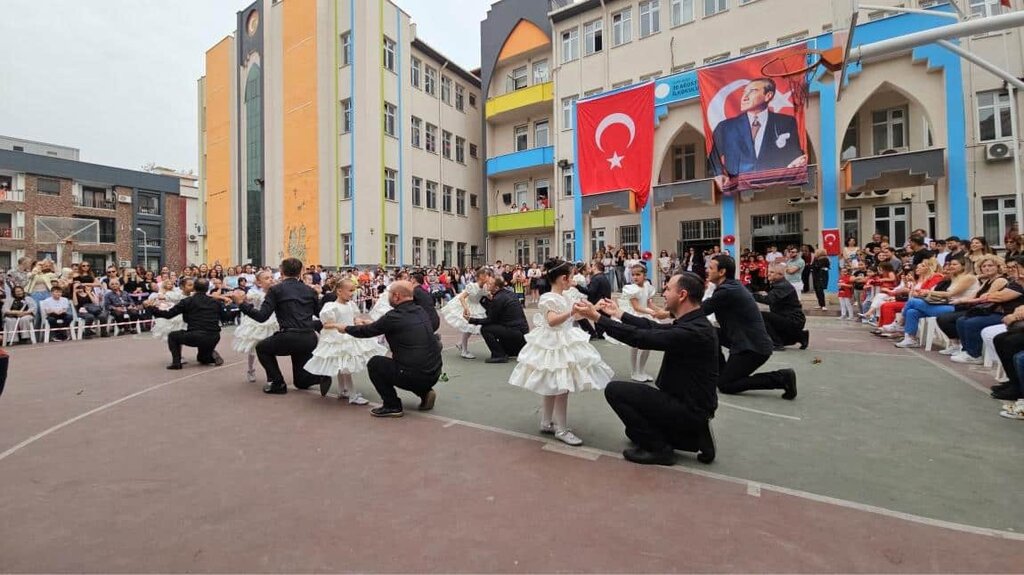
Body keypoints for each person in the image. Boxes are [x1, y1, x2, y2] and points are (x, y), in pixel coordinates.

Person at [574, 272, 718, 465]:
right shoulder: (695, 323)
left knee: (615, 391)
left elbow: (641, 338)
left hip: (688, 407)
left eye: (667, 289)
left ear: (682, 295)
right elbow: (652, 327)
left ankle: (660, 449)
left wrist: (598, 318)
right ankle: (696, 434)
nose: (664, 293)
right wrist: (618, 314)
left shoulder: (693, 332)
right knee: (632, 432)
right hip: (691, 404)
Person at [507, 259, 614, 446]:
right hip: (553, 343)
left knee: (554, 384)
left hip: (564, 340)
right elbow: (552, 321)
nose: (572, 280)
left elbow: (577, 316)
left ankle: (547, 421)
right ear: (563, 278)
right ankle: (561, 429)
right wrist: (571, 313)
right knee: (561, 386)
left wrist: (595, 308)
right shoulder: (548, 297)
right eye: (571, 277)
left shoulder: (565, 296)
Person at [341, 280, 443, 417]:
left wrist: (344, 328)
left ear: (396, 296)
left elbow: (366, 332)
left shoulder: (394, 316)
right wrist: (372, 323)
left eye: (388, 294)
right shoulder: (420, 311)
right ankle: (424, 392)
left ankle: (392, 405)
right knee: (412, 365)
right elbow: (389, 326)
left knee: (375, 363)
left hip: (413, 374)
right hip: (434, 371)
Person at [702, 255, 798, 400]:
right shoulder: (729, 286)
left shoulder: (727, 291)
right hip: (742, 340)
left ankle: (781, 378)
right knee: (708, 332)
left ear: (722, 272)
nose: (707, 270)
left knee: (726, 385)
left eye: (710, 268)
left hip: (752, 348)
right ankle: (721, 372)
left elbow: (702, 310)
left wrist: (669, 312)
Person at [231, 257, 323, 394]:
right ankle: (320, 376)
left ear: (281, 271)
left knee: (262, 348)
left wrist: (241, 304)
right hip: (309, 337)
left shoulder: (276, 290)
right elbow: (320, 313)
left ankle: (277, 383)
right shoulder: (310, 291)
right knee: (301, 382)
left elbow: (262, 317)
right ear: (300, 272)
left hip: (289, 335)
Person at [708, 77, 807, 186]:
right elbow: (714, 156)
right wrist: (718, 173)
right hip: (738, 190)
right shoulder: (725, 127)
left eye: (752, 91)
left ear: (768, 96)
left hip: (775, 188)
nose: (745, 97)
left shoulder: (786, 122)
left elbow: (794, 153)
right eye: (744, 92)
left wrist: (800, 160)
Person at [306, 278, 385, 405]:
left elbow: (355, 318)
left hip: (349, 335)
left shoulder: (351, 305)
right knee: (344, 366)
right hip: (338, 338)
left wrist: (358, 321)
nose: (352, 293)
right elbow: (326, 324)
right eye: (350, 290)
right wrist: (338, 326)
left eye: (354, 290)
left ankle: (343, 390)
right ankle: (352, 394)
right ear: (339, 291)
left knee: (343, 365)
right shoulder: (331, 307)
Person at [146, 278, 225, 370]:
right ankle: (209, 354)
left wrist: (150, 307)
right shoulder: (216, 302)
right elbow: (225, 317)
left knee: (172, 336)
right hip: (214, 336)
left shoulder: (187, 301)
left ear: (194, 288)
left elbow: (168, 315)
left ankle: (176, 363)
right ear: (207, 288)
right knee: (202, 359)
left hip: (196, 335)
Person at [606, 264, 667, 382]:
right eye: (633, 275)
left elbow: (649, 303)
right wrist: (650, 312)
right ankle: (634, 372)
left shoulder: (648, 287)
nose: (635, 277)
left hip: (646, 317)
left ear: (644, 275)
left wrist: (660, 311)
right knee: (635, 345)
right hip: (636, 317)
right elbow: (637, 307)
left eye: (638, 274)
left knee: (648, 345)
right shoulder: (631, 289)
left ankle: (642, 370)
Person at [467, 276, 529, 363]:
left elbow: (490, 320)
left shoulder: (498, 299)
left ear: (496, 287)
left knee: (485, 329)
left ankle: (499, 355)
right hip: (522, 335)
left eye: (490, 284)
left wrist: (472, 320)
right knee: (498, 327)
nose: (487, 285)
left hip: (515, 333)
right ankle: (508, 351)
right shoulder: (509, 293)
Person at [232, 270, 279, 383]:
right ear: (259, 283)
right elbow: (246, 299)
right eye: (267, 278)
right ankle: (251, 369)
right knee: (253, 348)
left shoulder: (277, 292)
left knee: (271, 347)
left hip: (273, 321)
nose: (271, 280)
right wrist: (238, 297)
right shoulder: (256, 293)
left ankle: (271, 373)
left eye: (271, 277)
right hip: (257, 321)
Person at [754, 263, 809, 350]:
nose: (768, 274)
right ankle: (801, 336)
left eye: (772, 272)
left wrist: (749, 295)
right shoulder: (777, 284)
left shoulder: (783, 286)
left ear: (780, 275)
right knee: (771, 323)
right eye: (769, 272)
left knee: (761, 316)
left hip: (793, 320)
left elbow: (768, 299)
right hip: (786, 318)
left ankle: (777, 344)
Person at [441, 268, 492, 359]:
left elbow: (488, 295)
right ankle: (464, 351)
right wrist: (466, 308)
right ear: (481, 276)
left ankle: (461, 344)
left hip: (476, 306)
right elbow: (461, 297)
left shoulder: (484, 287)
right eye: (487, 275)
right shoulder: (472, 286)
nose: (488, 277)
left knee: (472, 327)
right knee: (468, 327)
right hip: (467, 305)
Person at [578, 260, 612, 340]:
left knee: (601, 331)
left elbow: (590, 292)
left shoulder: (596, 278)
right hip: (604, 305)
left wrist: (577, 286)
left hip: (599, 306)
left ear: (596, 267)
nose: (591, 268)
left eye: (592, 266)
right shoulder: (603, 277)